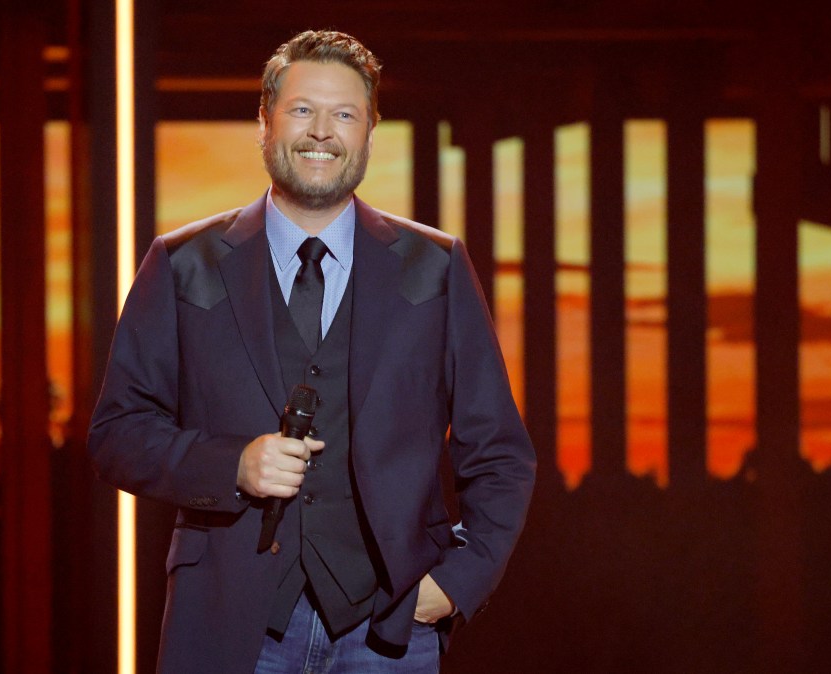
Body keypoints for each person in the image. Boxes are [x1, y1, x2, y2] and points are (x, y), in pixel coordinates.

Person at [89, 29, 536, 674]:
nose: (322, 131)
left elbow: (498, 451)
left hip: (390, 627)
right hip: (230, 620)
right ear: (264, 122)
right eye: (302, 109)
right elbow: (117, 434)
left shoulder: (435, 268)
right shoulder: (183, 264)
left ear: (370, 133)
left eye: (344, 114)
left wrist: (459, 582)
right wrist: (232, 465)